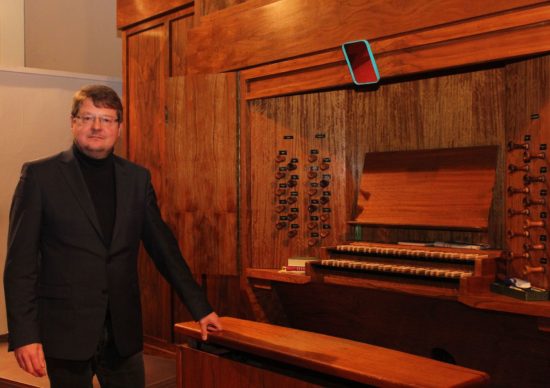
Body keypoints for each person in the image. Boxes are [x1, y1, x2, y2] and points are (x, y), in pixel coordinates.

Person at [3, 84, 222, 387]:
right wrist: (25, 335)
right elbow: (20, 265)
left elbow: (164, 249)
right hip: (66, 331)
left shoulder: (137, 178)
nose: (97, 127)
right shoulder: (40, 177)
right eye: (88, 117)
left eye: (106, 119)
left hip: (123, 332)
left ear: (119, 127)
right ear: (73, 122)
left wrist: (201, 307)